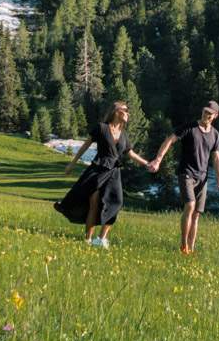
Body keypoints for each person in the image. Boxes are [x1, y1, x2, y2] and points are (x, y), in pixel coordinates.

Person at [53, 101, 151, 247]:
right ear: (116, 111)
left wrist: (147, 164)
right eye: (125, 110)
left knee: (116, 202)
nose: (128, 113)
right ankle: (88, 239)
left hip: (114, 172)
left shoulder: (123, 135)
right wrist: (72, 164)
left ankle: (101, 239)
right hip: (98, 169)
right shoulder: (101, 128)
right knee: (94, 203)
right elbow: (85, 146)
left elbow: (130, 153)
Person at [149, 100, 219, 254]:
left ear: (215, 116)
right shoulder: (190, 128)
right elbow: (170, 140)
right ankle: (183, 246)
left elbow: (216, 158)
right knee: (190, 205)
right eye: (205, 112)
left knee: (196, 214)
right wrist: (158, 159)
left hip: (202, 178)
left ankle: (191, 248)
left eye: (210, 114)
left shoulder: (215, 135)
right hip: (186, 173)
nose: (206, 115)